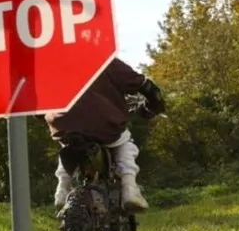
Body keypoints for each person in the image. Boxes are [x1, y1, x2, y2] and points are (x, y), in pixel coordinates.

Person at [44, 58, 165, 212]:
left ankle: (62, 187)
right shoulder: (104, 59)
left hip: (63, 124)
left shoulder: (53, 63)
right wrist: (155, 105)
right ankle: (130, 187)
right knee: (125, 141)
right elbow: (144, 86)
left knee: (68, 145)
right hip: (103, 123)